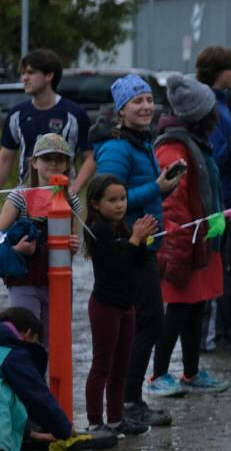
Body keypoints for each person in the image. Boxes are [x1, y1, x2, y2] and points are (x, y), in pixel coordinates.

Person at [91, 74, 186, 427]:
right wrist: (156, 187)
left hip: (144, 243)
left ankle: (129, 400)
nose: (146, 107)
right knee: (147, 322)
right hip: (128, 245)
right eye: (137, 102)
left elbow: (137, 192)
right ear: (121, 109)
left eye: (148, 100)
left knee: (144, 322)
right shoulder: (117, 147)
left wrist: (165, 187)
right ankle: (128, 402)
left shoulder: (140, 141)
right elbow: (109, 199)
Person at [148, 74, 230, 396]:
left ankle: (191, 373)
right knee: (179, 310)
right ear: (201, 115)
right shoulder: (174, 148)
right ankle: (158, 376)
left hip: (202, 242)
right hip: (184, 243)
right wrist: (176, 251)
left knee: (196, 308)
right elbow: (173, 206)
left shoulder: (194, 144)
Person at [83, 175, 157, 437]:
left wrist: (143, 239)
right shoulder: (97, 228)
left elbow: (135, 263)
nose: (119, 205)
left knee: (121, 367)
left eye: (122, 199)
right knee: (102, 365)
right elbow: (116, 263)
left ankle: (115, 420)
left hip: (127, 305)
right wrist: (135, 239)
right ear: (95, 203)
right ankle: (94, 422)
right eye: (112, 200)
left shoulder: (121, 227)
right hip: (105, 306)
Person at [0, 134, 82, 343]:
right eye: (47, 158)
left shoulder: (71, 199)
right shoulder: (19, 196)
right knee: (26, 338)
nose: (54, 163)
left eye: (60, 159)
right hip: (24, 281)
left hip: (59, 281)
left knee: (54, 342)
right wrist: (17, 249)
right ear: (34, 162)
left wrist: (73, 245)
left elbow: (73, 238)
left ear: (67, 164)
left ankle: (46, 378)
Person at [0, 49, 94, 195]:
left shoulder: (75, 114)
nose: (24, 78)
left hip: (61, 198)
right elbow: (5, 158)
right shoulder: (16, 115)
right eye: (23, 73)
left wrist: (74, 188)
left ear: (49, 75)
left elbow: (91, 157)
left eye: (30, 72)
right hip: (26, 198)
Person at [195, 45, 231, 352]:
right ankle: (209, 337)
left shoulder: (220, 104)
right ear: (220, 73)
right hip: (218, 198)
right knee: (213, 266)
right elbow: (214, 156)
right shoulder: (210, 107)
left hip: (224, 195)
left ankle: (217, 332)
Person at [0, 306, 82, 451]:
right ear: (28, 333)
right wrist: (64, 429)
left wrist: (32, 434)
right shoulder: (12, 351)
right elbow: (36, 395)